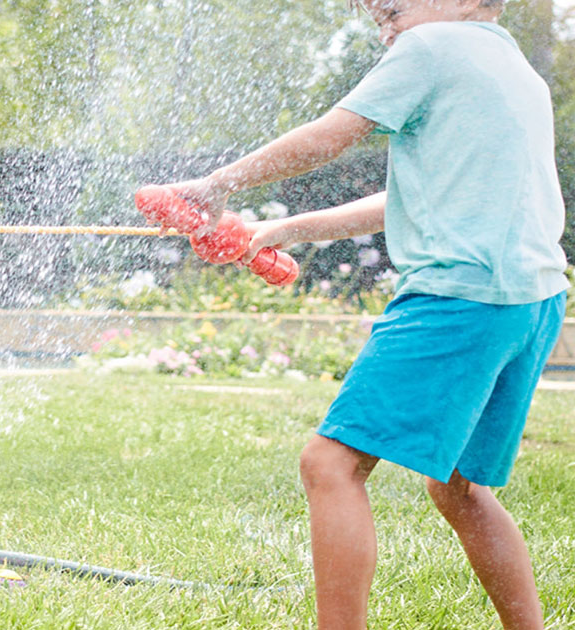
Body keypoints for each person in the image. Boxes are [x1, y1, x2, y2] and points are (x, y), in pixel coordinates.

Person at [143, 0, 569, 627]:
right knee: (458, 486)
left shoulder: (430, 48)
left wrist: (216, 184)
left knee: (330, 464)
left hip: (459, 298)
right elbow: (411, 195)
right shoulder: (509, 66)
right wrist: (284, 229)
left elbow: (330, 135)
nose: (372, 3)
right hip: (531, 303)